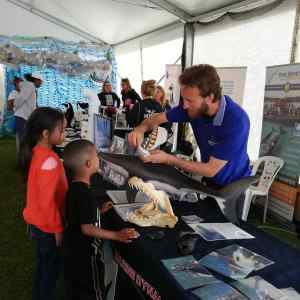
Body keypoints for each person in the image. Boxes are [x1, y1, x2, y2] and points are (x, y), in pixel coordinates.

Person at [128, 64, 251, 187]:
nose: (184, 105)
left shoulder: (237, 121)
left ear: (210, 97)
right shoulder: (191, 109)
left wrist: (168, 159)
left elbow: (210, 170)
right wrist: (140, 129)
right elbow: (158, 118)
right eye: (184, 99)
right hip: (210, 180)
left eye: (190, 100)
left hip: (234, 185)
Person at [62, 139, 139, 300]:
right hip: (85, 256)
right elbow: (87, 228)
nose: (99, 158)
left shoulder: (76, 188)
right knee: (93, 290)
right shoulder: (85, 195)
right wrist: (117, 235)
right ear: (89, 164)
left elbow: (79, 217)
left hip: (73, 253)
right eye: (97, 155)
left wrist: (98, 211)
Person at [19, 107, 68, 300]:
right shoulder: (51, 161)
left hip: (37, 222)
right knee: (50, 272)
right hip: (47, 227)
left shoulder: (38, 152)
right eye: (62, 130)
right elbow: (48, 202)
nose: (65, 133)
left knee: (43, 266)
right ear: (46, 134)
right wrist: (57, 229)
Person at [14, 72, 43, 156]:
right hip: (22, 117)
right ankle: (22, 162)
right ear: (36, 79)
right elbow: (21, 98)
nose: (41, 84)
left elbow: (32, 103)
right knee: (22, 140)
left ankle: (24, 160)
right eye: (41, 81)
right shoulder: (29, 86)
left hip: (25, 117)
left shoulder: (31, 87)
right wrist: (16, 107)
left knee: (24, 140)